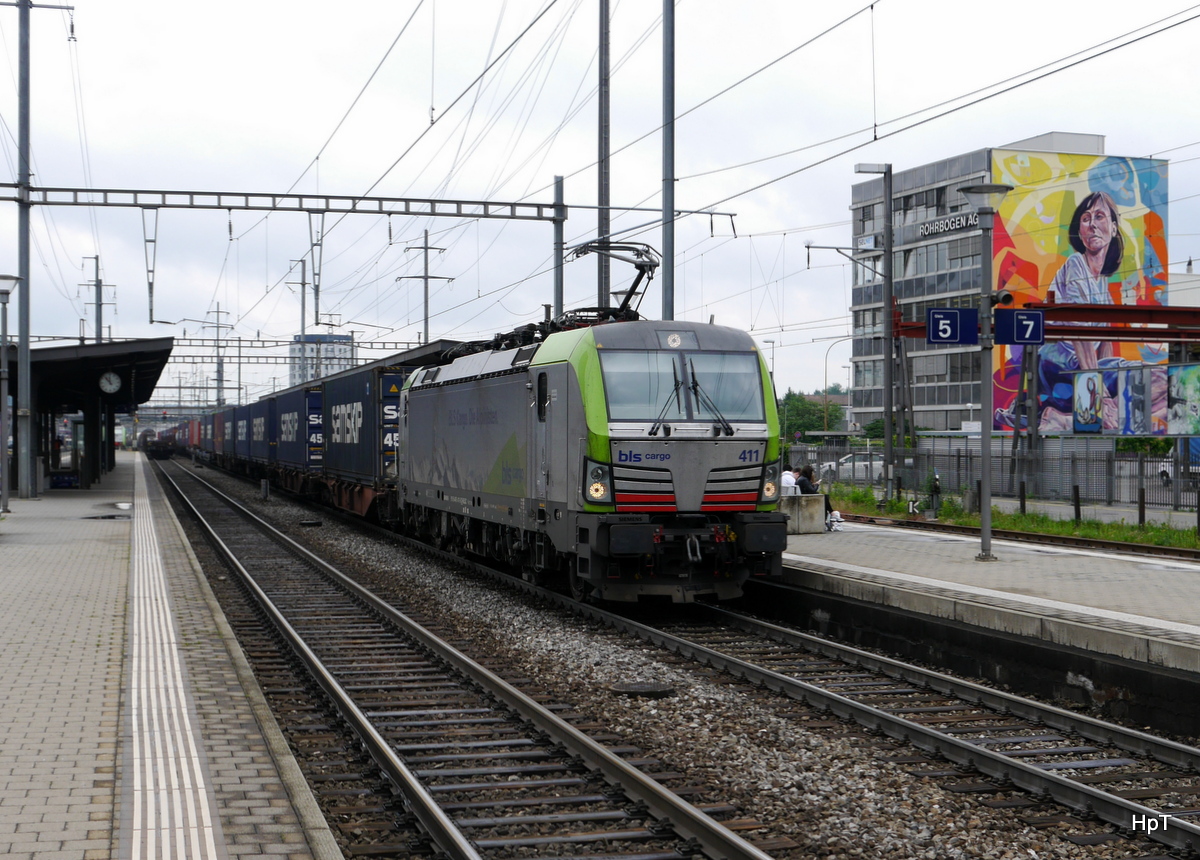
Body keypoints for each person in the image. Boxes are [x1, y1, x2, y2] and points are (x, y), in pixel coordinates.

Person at [1036, 191, 1125, 431]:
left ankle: (1063, 419)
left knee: (1135, 375)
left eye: (1099, 217)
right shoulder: (1076, 264)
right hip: (1056, 362)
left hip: (1080, 366)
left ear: (1114, 228)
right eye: (1086, 219)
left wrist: (1108, 374)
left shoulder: (1103, 282)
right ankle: (1083, 417)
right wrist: (1102, 395)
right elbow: (1080, 334)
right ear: (1080, 231)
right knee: (1123, 377)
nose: (1093, 225)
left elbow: (1106, 342)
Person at [797, 464, 838, 530]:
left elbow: (808, 488)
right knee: (824, 497)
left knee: (824, 497)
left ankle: (830, 512)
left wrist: (813, 484)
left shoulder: (801, 478)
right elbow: (813, 491)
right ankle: (830, 512)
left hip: (803, 496)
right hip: (806, 498)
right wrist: (817, 485)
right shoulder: (804, 480)